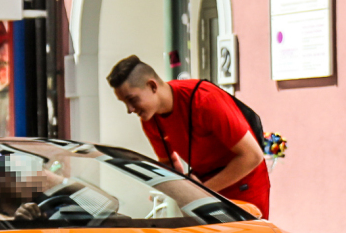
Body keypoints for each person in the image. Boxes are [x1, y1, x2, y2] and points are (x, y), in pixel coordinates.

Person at [108, 54, 270, 217]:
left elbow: (252, 156)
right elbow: (169, 164)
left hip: (245, 187)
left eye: (132, 99)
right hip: (206, 189)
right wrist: (171, 191)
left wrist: (199, 192)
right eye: (124, 103)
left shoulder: (205, 99)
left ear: (152, 86)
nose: (129, 109)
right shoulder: (150, 119)